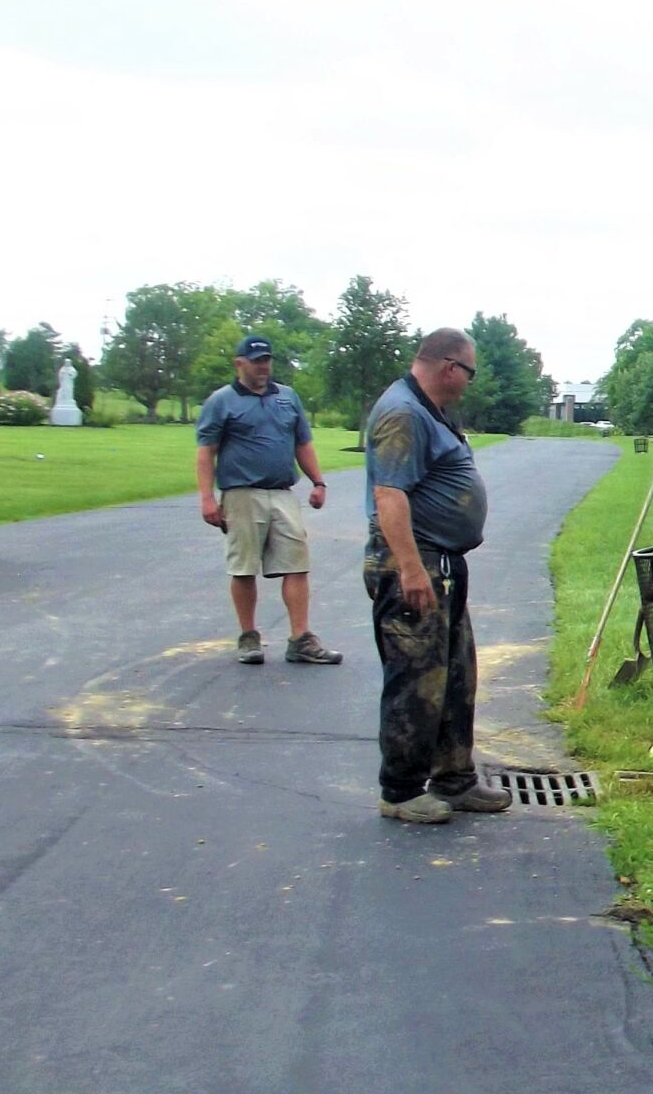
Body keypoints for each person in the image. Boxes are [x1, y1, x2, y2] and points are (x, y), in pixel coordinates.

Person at [363, 328, 508, 824]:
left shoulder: (430, 410)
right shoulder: (403, 413)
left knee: (455, 674)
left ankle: (454, 778)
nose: (469, 383)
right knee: (416, 679)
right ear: (450, 367)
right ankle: (401, 790)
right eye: (469, 373)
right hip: (412, 561)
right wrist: (409, 568)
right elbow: (389, 496)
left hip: (441, 562)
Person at [195, 335, 341, 665]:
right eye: (256, 361)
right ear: (239, 364)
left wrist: (318, 481)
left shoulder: (287, 398)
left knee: (297, 564)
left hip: (282, 493)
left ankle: (300, 639)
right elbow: (206, 452)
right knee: (244, 567)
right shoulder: (222, 401)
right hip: (241, 494)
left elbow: (302, 443)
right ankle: (249, 637)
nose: (263, 366)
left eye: (266, 360)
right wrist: (207, 498)